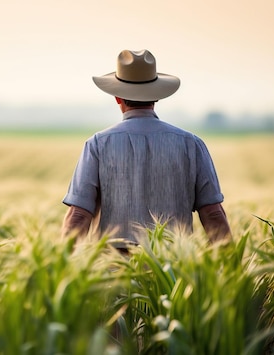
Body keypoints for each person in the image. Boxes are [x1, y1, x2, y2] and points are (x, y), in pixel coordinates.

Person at [62, 49, 231, 250]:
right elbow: (212, 213)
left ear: (117, 97)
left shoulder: (98, 144)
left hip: (113, 271)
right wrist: (232, 269)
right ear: (156, 96)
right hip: (175, 271)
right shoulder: (191, 144)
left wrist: (63, 267)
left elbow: (79, 214)